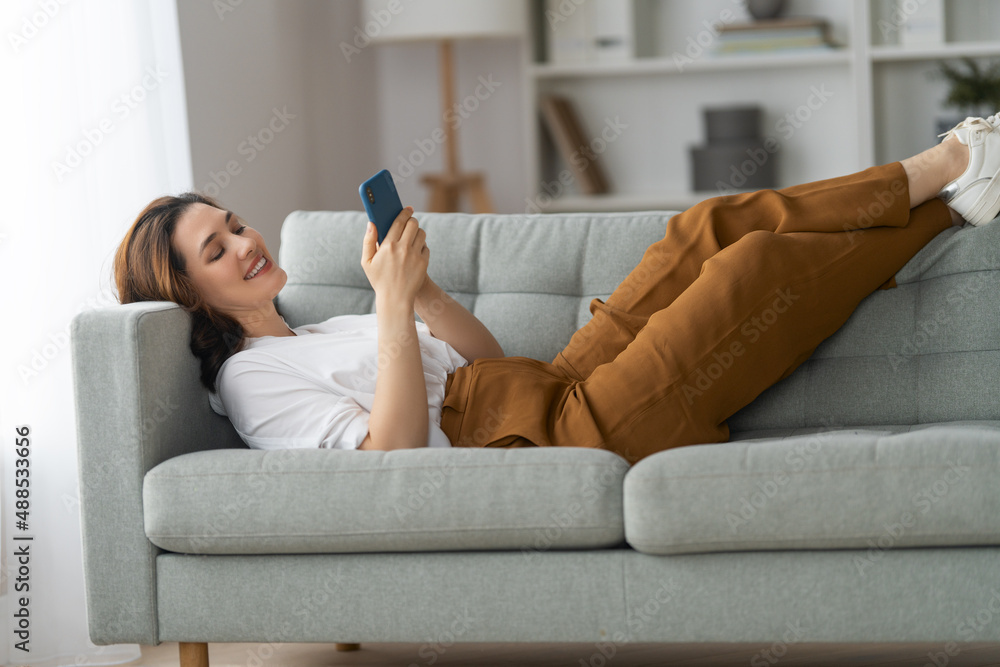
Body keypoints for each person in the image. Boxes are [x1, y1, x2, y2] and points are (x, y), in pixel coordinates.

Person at [114, 114, 1000, 465]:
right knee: (752, 272)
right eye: (215, 248)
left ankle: (948, 188)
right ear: (188, 293)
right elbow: (390, 464)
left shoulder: (313, 328)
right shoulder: (249, 382)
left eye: (234, 224)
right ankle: (950, 178)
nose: (244, 242)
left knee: (704, 230)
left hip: (549, 380)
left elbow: (488, 361)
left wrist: (416, 294)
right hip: (562, 435)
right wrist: (388, 308)